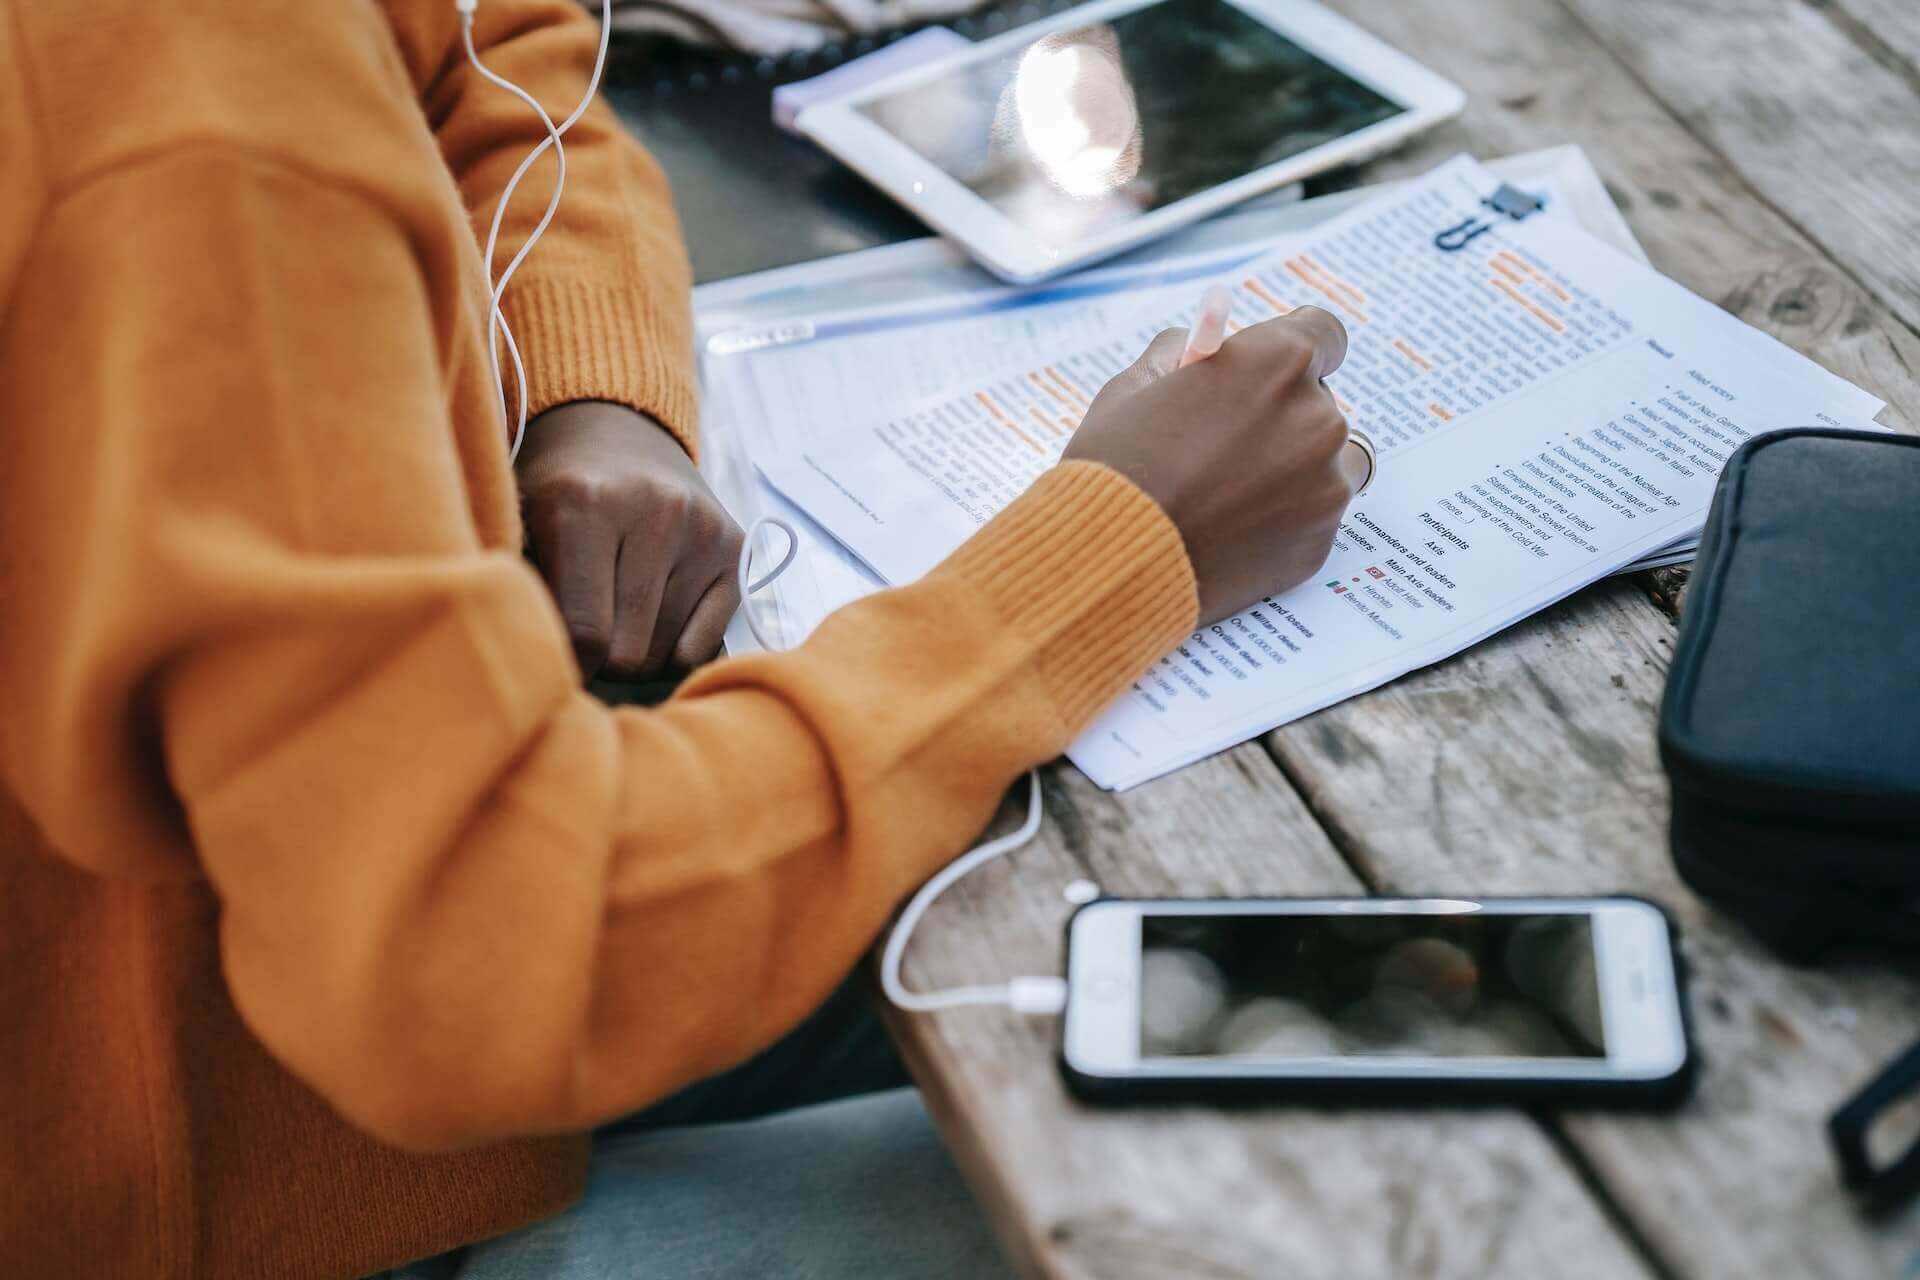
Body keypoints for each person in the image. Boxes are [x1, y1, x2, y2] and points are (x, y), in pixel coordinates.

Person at [0, 2, 1362, 1278]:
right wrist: (1123, 549)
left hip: (386, 937)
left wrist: (590, 389)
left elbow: (506, 54)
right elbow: (477, 970)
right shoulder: (186, 121)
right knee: (1312, 1162)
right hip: (269, 1173)